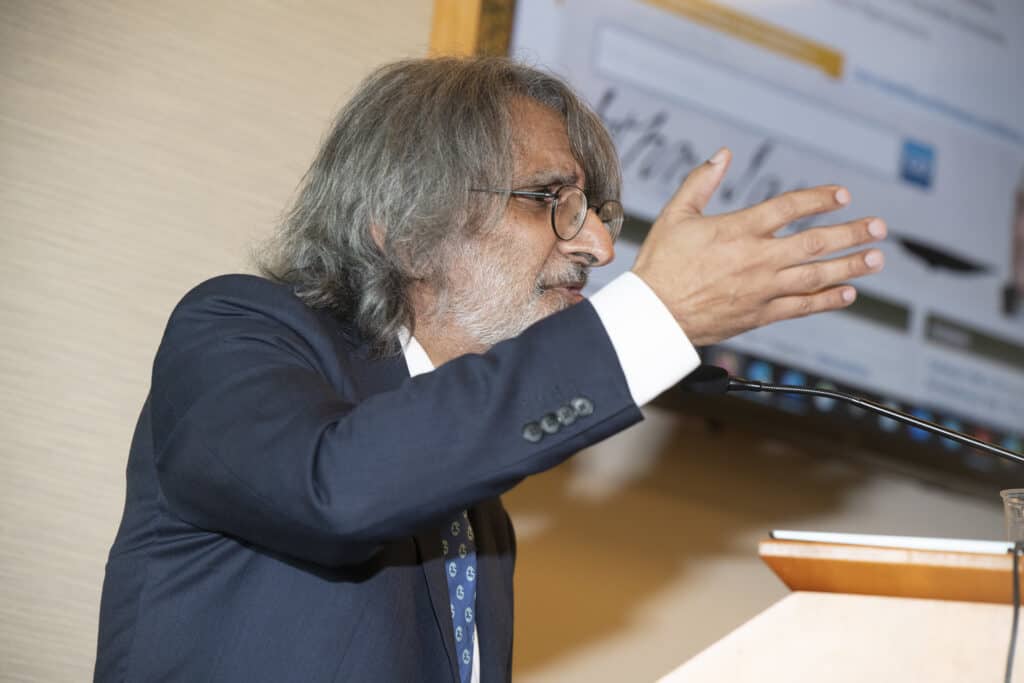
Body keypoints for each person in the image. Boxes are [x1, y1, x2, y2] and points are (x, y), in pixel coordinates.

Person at [94, 57, 886, 682]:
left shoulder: (481, 520)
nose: (600, 249)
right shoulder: (234, 327)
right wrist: (654, 318)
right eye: (552, 200)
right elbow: (333, 488)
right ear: (407, 229)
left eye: (598, 215)